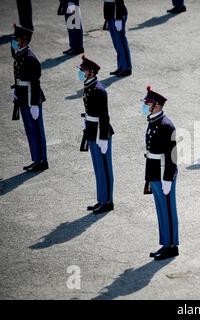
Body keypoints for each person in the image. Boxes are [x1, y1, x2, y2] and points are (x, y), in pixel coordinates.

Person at [141, 86, 179, 261]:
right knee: (160, 209)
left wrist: (168, 179)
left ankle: (172, 246)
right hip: (154, 170)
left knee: (168, 210)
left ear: (156, 105)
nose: (145, 106)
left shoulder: (166, 126)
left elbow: (172, 156)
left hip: (164, 172)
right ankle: (165, 243)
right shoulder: (153, 121)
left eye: (148, 103)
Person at [78, 56, 115, 214]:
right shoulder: (89, 86)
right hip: (92, 130)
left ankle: (108, 201)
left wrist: (104, 138)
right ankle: (101, 199)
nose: (81, 72)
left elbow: (104, 116)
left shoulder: (99, 90)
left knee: (105, 169)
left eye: (83, 70)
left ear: (91, 72)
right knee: (98, 168)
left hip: (100, 132)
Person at [11, 25, 48, 172]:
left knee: (36, 130)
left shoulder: (30, 58)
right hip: (23, 96)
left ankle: (42, 160)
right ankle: (36, 159)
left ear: (24, 40)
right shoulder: (20, 54)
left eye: (17, 39)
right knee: (30, 130)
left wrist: (34, 104)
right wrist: (16, 88)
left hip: (31, 99)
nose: (14, 41)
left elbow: (34, 82)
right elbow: (20, 76)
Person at [103, 0, 132, 77]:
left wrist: (118, 19)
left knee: (121, 43)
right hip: (111, 14)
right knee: (117, 44)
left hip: (117, 14)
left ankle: (126, 68)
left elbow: (119, 1)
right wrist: (107, 18)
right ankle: (121, 67)